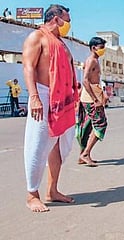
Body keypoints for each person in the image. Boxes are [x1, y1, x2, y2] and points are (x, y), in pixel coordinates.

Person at [22, 4, 78, 212]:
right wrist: (34, 96)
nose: (69, 25)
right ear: (56, 18)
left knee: (58, 146)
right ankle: (31, 194)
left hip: (63, 99)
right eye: (67, 20)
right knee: (37, 144)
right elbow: (28, 67)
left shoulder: (62, 43)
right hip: (44, 95)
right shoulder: (37, 37)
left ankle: (52, 190)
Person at [75, 37, 108, 167]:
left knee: (87, 126)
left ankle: (82, 154)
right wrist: (95, 99)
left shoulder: (95, 61)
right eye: (101, 47)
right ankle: (85, 153)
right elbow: (85, 80)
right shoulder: (91, 61)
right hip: (90, 98)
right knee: (100, 124)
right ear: (94, 47)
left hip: (93, 95)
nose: (103, 50)